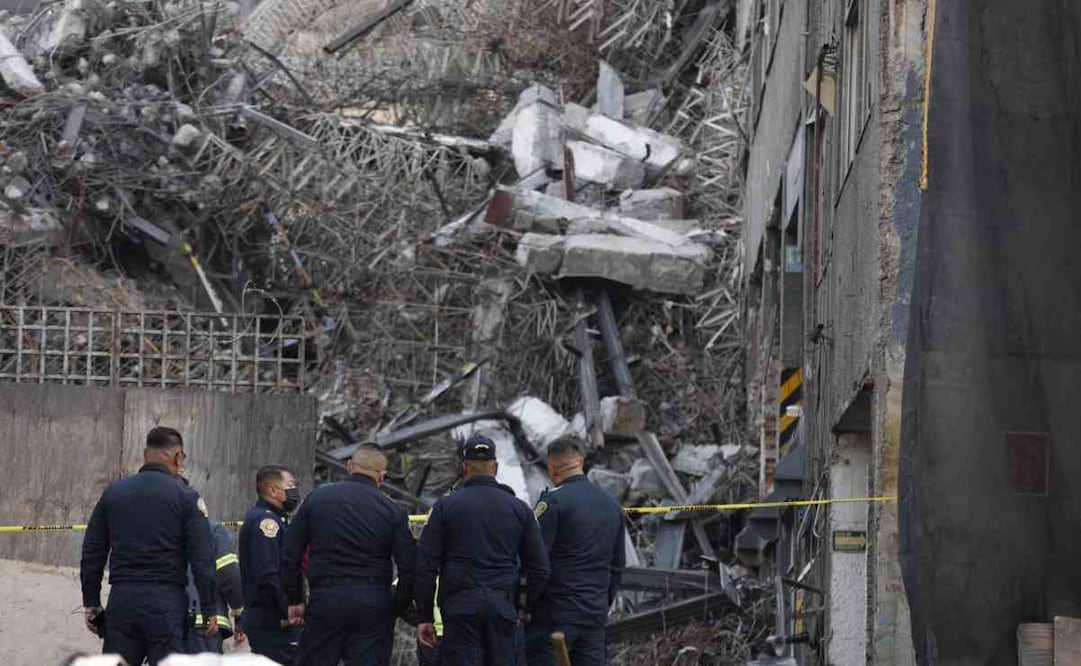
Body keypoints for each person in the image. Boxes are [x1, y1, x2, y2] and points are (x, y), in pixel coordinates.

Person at [80, 426, 218, 666]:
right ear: (177, 457)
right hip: (166, 603)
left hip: (122, 600)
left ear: (146, 454)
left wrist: (92, 604)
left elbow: (93, 553)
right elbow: (202, 559)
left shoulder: (113, 494)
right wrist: (208, 608)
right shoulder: (186, 497)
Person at [414, 434, 550, 666]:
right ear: (495, 467)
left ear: (465, 467)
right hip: (502, 608)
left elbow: (425, 566)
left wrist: (425, 616)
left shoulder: (445, 506)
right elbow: (540, 569)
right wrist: (522, 607)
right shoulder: (519, 509)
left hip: (460, 610)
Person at [283, 446, 417, 665]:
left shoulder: (317, 499)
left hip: (326, 599)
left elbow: (291, 552)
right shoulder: (392, 511)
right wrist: (396, 605)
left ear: (349, 467)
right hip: (373, 602)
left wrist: (295, 598)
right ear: (381, 477)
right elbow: (409, 567)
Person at [524, 434, 626, 666]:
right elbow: (618, 564)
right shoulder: (612, 505)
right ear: (580, 462)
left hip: (554, 616)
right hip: (594, 614)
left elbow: (535, 562)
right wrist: (601, 603)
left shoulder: (553, 503)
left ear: (552, 468)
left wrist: (526, 605)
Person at [238, 465, 301, 664]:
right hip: (271, 620)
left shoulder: (278, 520)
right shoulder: (266, 522)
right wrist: (286, 610)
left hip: (273, 619)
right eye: (290, 485)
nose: (294, 491)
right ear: (273, 490)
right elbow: (268, 575)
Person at [180, 487, 246, 654]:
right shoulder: (213, 530)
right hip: (205, 623)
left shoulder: (162, 532)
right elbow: (229, 573)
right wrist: (239, 612)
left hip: (167, 622)